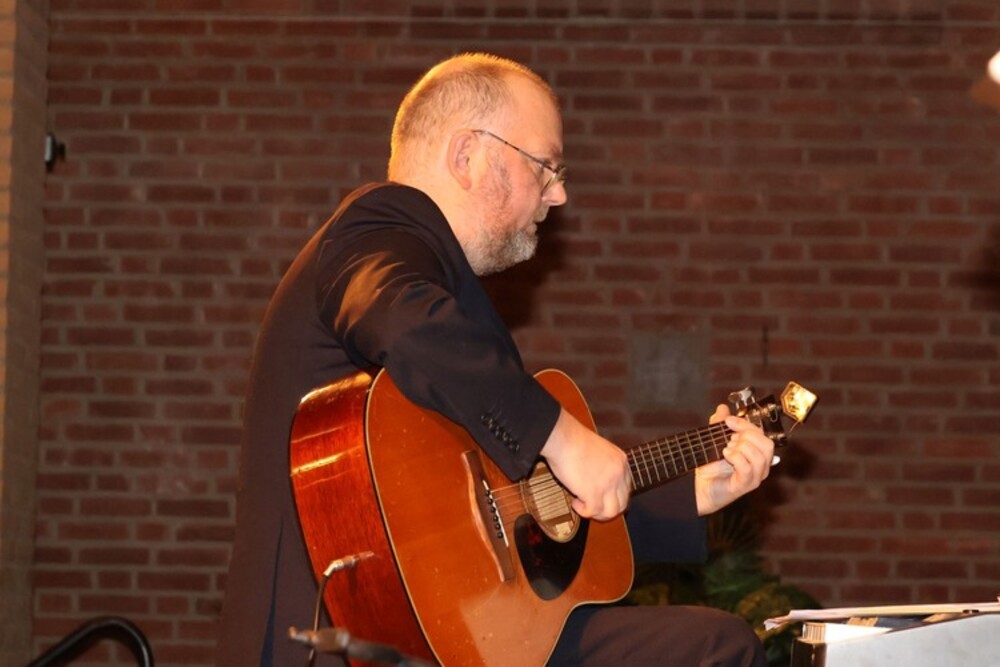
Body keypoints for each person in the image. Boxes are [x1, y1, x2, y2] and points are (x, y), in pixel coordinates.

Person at [216, 52, 775, 667]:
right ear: (467, 155)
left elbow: (515, 525)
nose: (559, 194)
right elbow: (406, 325)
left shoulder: (445, 302)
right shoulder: (377, 230)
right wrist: (563, 437)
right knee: (715, 650)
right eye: (546, 166)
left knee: (708, 645)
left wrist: (690, 496)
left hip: (436, 635)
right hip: (341, 635)